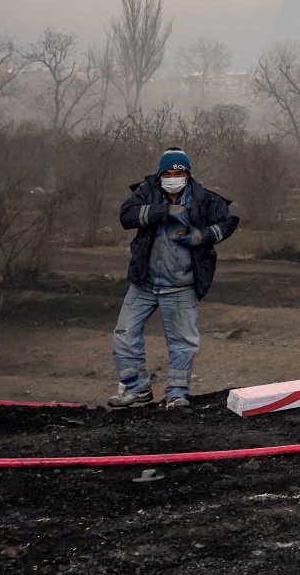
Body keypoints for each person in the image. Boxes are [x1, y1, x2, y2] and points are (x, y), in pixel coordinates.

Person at [108, 147, 239, 409]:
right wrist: (163, 211)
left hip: (181, 286)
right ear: (160, 175)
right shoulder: (147, 191)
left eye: (177, 173)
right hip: (143, 283)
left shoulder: (204, 200)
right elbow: (127, 216)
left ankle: (177, 394)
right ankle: (136, 389)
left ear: (187, 175)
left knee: (183, 343)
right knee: (124, 335)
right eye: (166, 173)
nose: (172, 178)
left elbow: (229, 222)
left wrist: (201, 236)